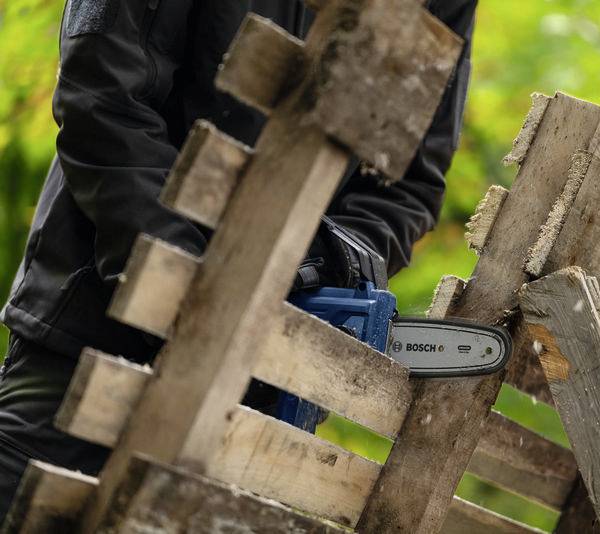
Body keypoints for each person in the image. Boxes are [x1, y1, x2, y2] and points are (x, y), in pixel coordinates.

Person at [0, 0, 476, 520]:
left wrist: (315, 268)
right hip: (92, 325)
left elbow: (406, 184)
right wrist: (193, 280)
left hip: (256, 395)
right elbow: (102, 95)